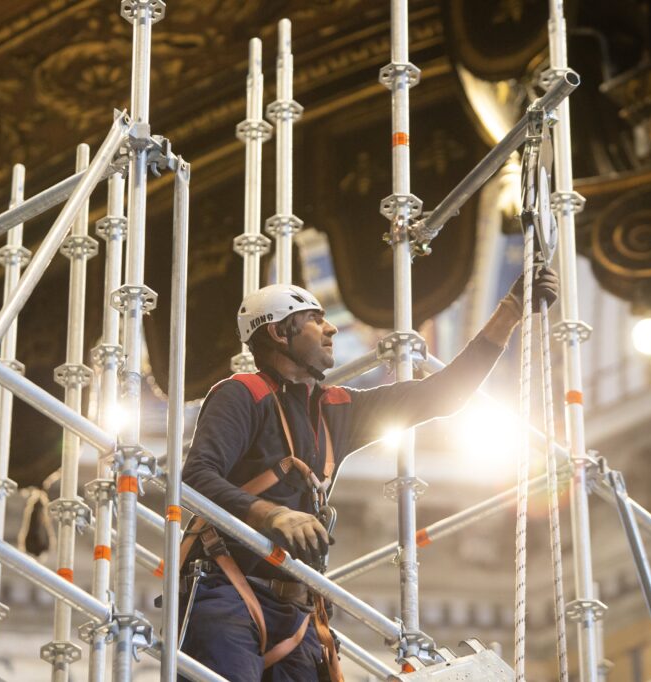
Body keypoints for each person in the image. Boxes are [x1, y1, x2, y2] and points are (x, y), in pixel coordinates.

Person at [179, 269, 558, 681]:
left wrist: (512, 311)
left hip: (297, 611)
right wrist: (270, 514)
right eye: (314, 319)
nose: (330, 329)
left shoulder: (336, 409)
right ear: (278, 333)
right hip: (227, 593)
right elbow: (195, 477)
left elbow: (443, 394)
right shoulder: (242, 395)